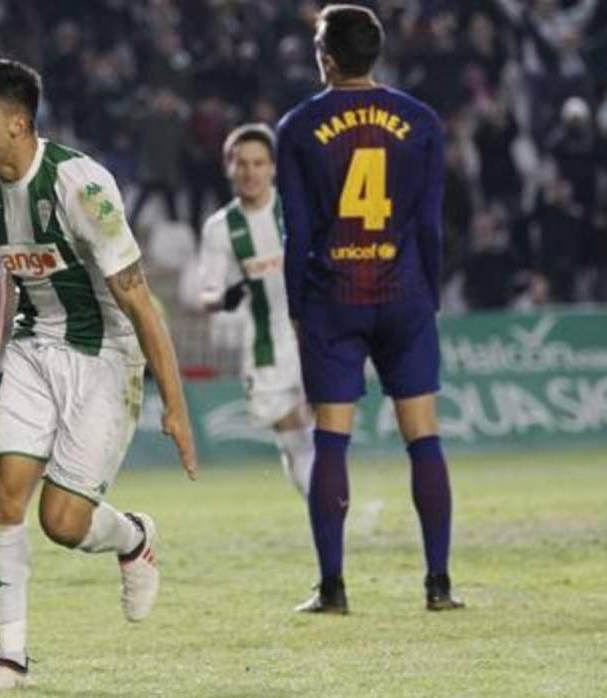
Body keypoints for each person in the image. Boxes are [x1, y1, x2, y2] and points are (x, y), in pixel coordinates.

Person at [0, 59, 198, 694]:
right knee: (1, 498)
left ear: (16, 123)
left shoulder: (80, 185)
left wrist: (174, 406)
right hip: (35, 348)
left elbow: (139, 301)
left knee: (63, 523)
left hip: (106, 354)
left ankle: (133, 537)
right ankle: (10, 662)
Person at [275, 5, 462, 614]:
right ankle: (438, 585)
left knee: (330, 442)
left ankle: (332, 589)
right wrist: (427, 291)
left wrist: (298, 305)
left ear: (326, 56)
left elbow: (297, 230)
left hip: (334, 297)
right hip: (404, 292)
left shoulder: (299, 126)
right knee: (423, 439)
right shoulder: (421, 120)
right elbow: (431, 224)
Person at [196, 123, 314, 496]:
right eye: (241, 163)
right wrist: (223, 298)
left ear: (273, 167)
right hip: (265, 348)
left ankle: (332, 510)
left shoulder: (297, 205)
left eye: (258, 163)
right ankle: (326, 509)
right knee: (293, 438)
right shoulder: (221, 228)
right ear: (228, 167)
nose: (250, 172)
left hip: (315, 335)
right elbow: (208, 294)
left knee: (327, 428)